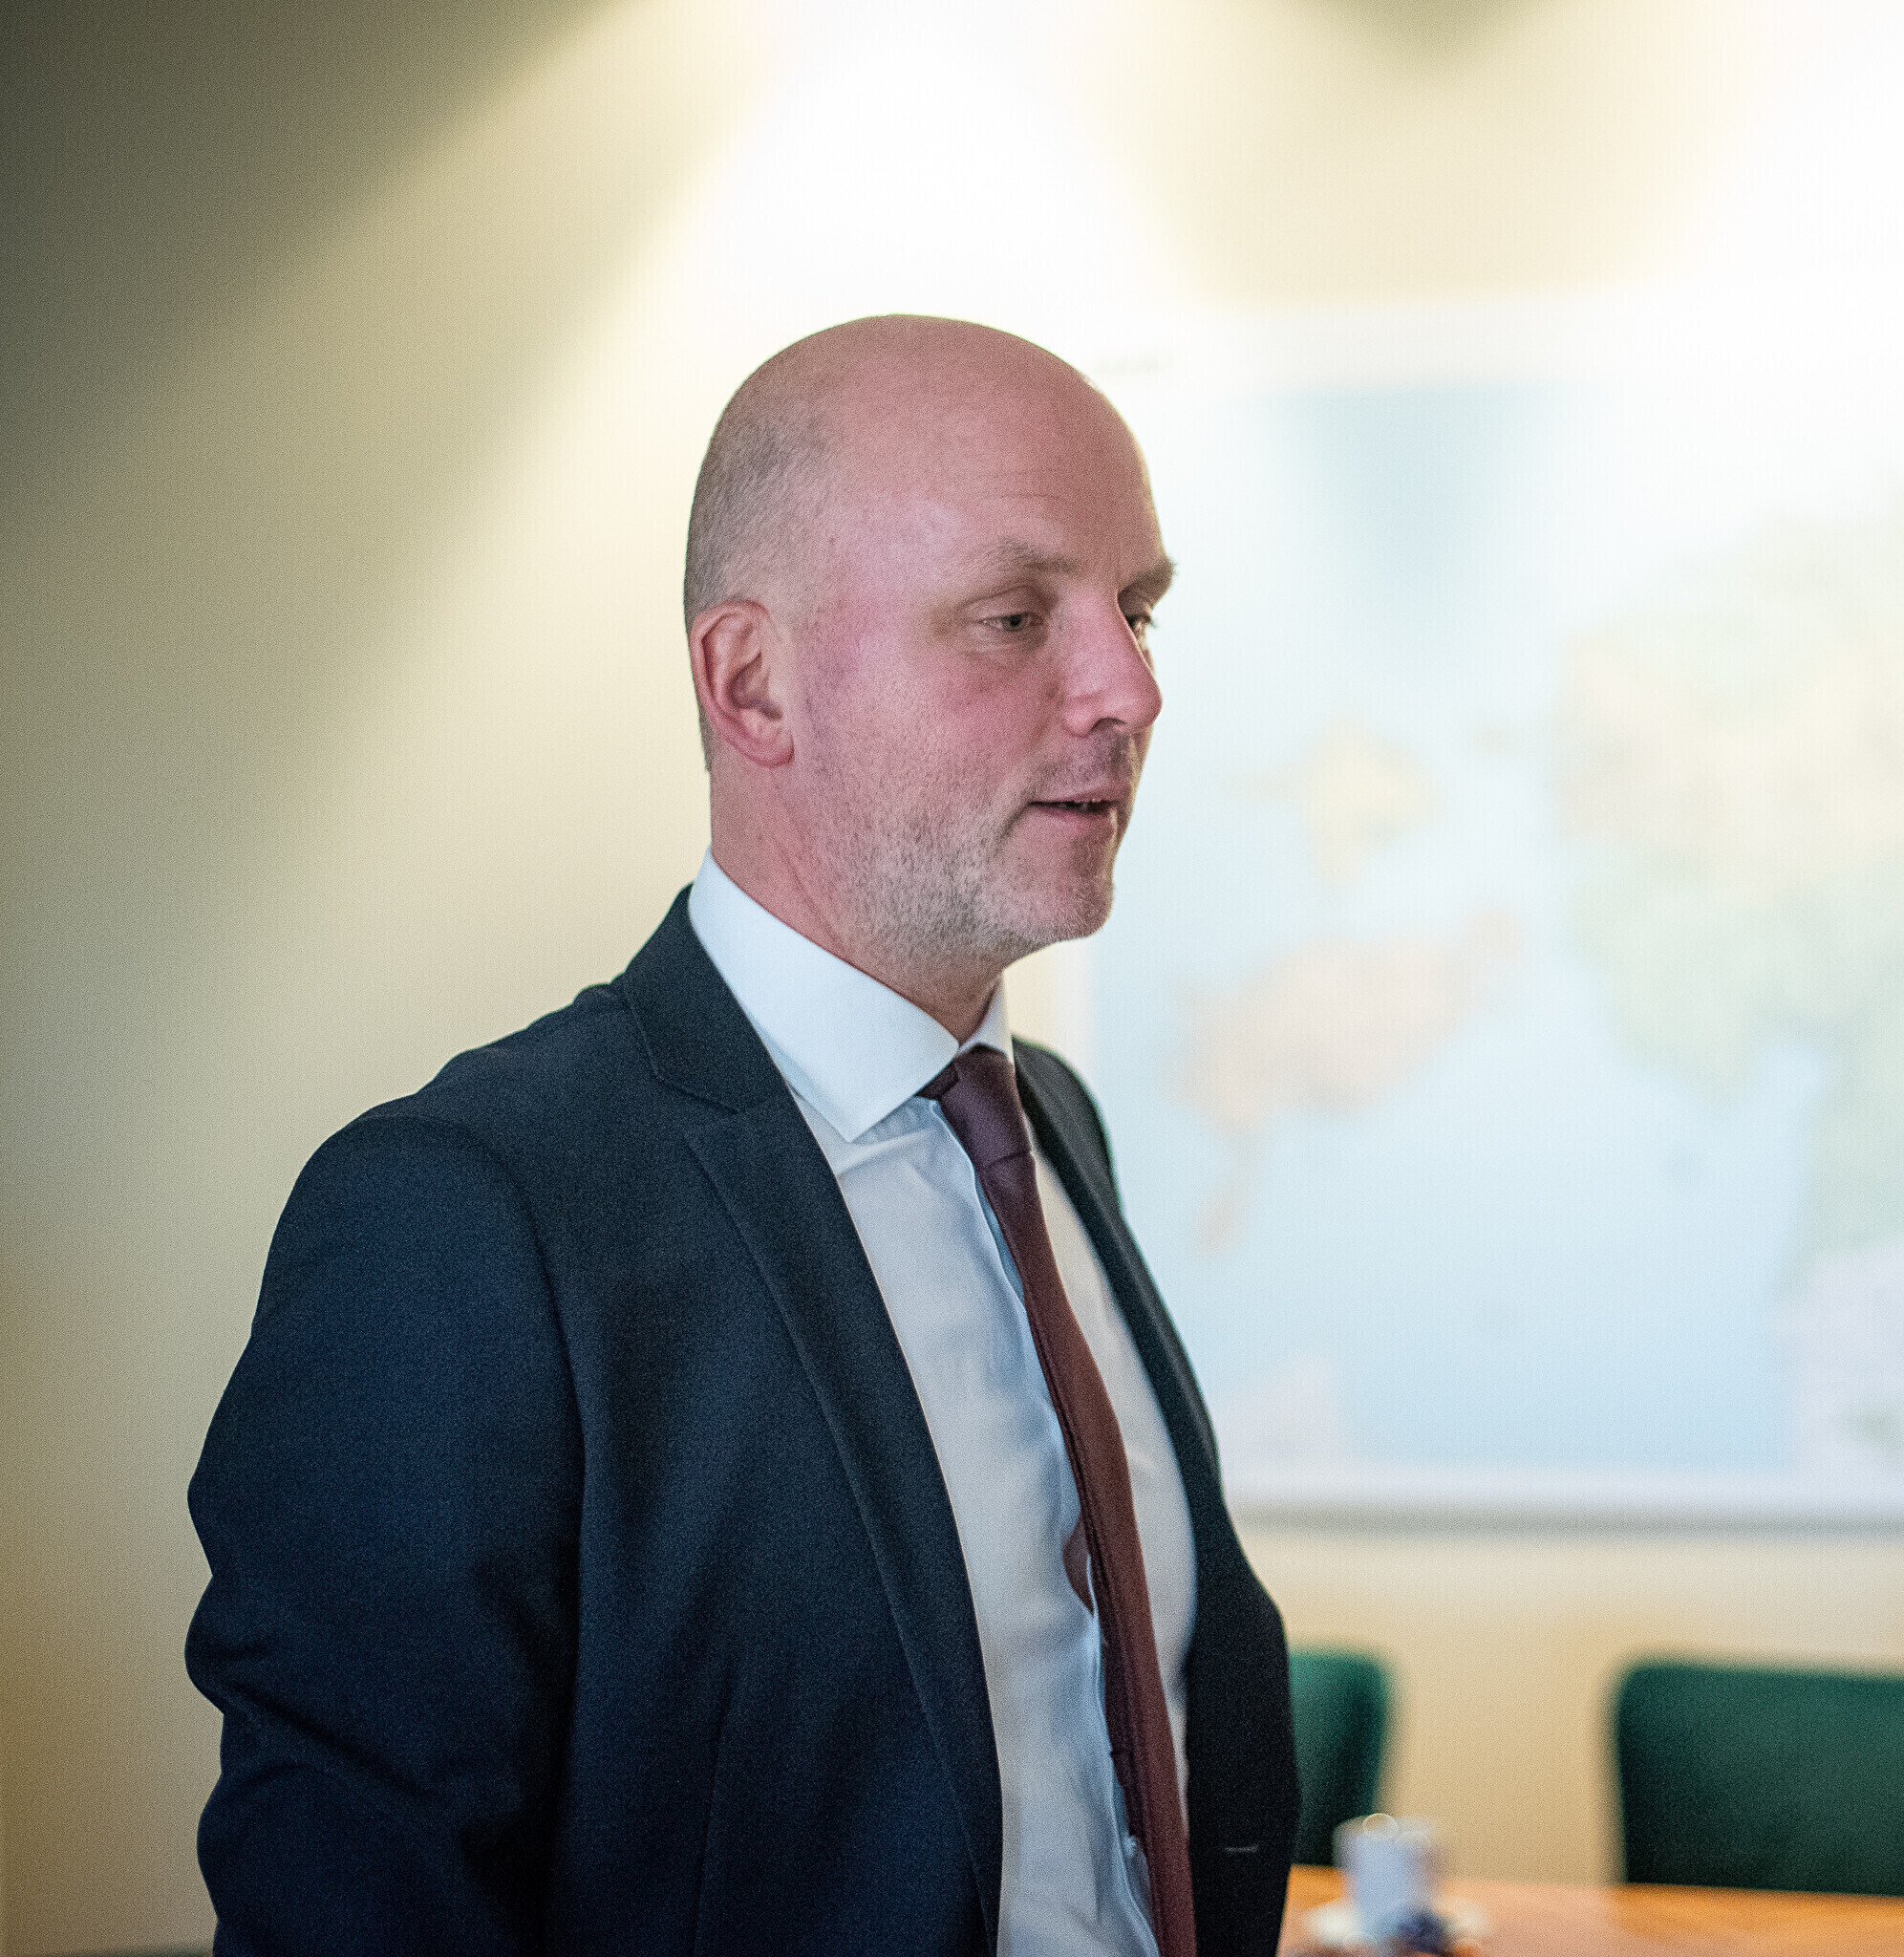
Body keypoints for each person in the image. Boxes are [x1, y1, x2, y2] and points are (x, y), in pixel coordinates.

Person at [186, 316, 1297, 1955]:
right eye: (1014, 618)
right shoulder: (462, 1223)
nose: (1130, 688)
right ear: (752, 682)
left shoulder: (1049, 1126)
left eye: (1135, 611)